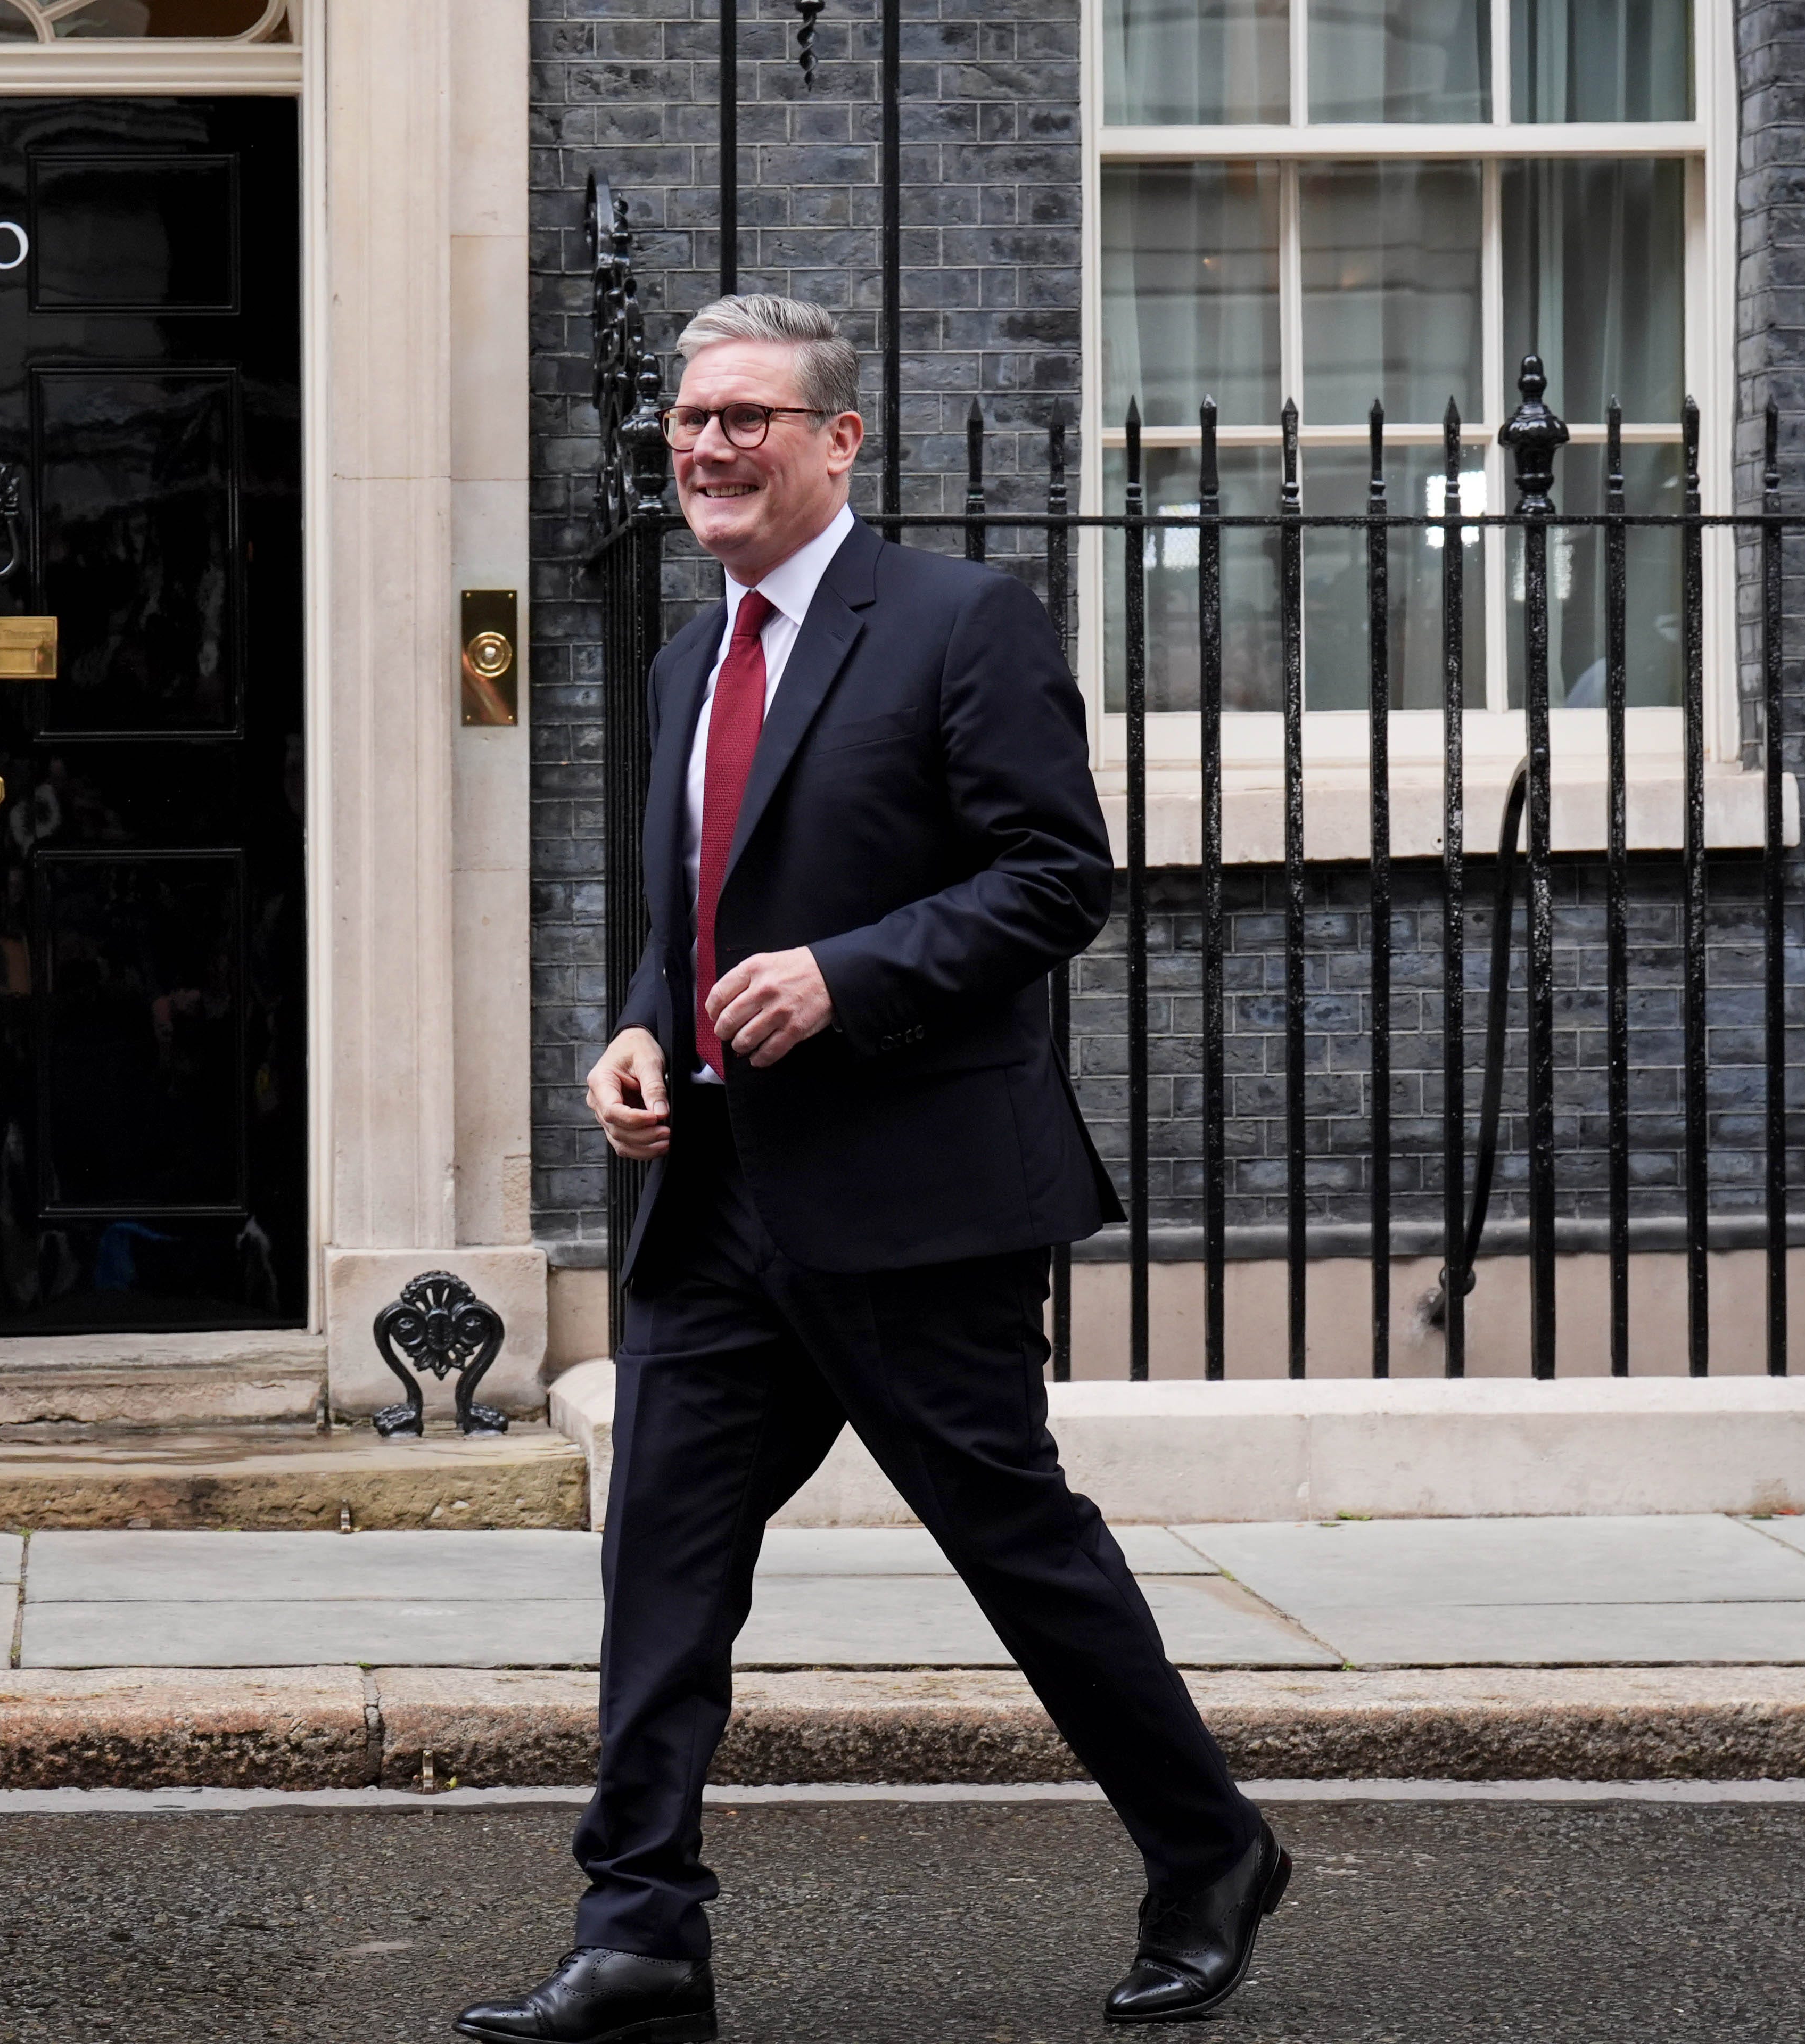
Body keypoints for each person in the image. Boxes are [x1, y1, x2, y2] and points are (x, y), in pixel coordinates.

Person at [455, 296, 1287, 2042]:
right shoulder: (691, 657)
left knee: (1016, 1546)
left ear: (842, 442)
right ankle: (641, 1932)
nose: (705, 446)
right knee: (664, 1559)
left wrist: (849, 976)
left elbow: (1058, 878)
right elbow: (686, 922)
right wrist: (631, 1033)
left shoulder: (959, 622)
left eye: (748, 416)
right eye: (688, 419)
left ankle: (1209, 1850)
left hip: (912, 1196)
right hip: (719, 1198)